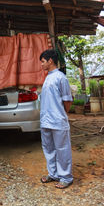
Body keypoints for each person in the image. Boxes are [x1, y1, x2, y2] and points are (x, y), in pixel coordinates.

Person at [39, 49, 73, 189]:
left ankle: (66, 177)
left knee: (62, 149)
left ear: (50, 61)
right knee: (49, 148)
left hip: (58, 120)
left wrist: (62, 114)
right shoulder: (48, 77)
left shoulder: (61, 77)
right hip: (46, 121)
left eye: (42, 62)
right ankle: (53, 174)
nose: (41, 65)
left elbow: (67, 100)